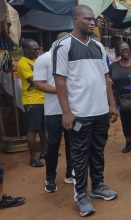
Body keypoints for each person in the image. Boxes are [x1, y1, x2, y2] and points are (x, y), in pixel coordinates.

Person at [53, 5, 118, 217]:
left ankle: (98, 186)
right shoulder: (63, 46)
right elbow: (60, 81)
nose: (93, 22)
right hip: (79, 113)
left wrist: (111, 105)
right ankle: (81, 195)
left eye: (94, 19)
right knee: (79, 154)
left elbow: (106, 79)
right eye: (88, 19)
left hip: (100, 112)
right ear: (75, 20)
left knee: (98, 150)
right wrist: (66, 112)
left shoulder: (98, 47)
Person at [33, 32, 75, 193]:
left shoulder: (70, 59)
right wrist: (61, 91)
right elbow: (38, 84)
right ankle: (50, 177)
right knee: (53, 145)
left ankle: (70, 173)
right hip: (53, 112)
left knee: (72, 144)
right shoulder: (44, 58)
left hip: (72, 110)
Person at [17, 39, 46, 167]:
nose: (37, 51)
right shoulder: (23, 63)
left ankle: (45, 152)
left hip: (42, 99)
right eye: (34, 49)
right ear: (26, 50)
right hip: (31, 101)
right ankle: (33, 158)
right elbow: (34, 81)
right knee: (33, 129)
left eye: (38, 48)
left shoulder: (35, 61)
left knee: (43, 128)